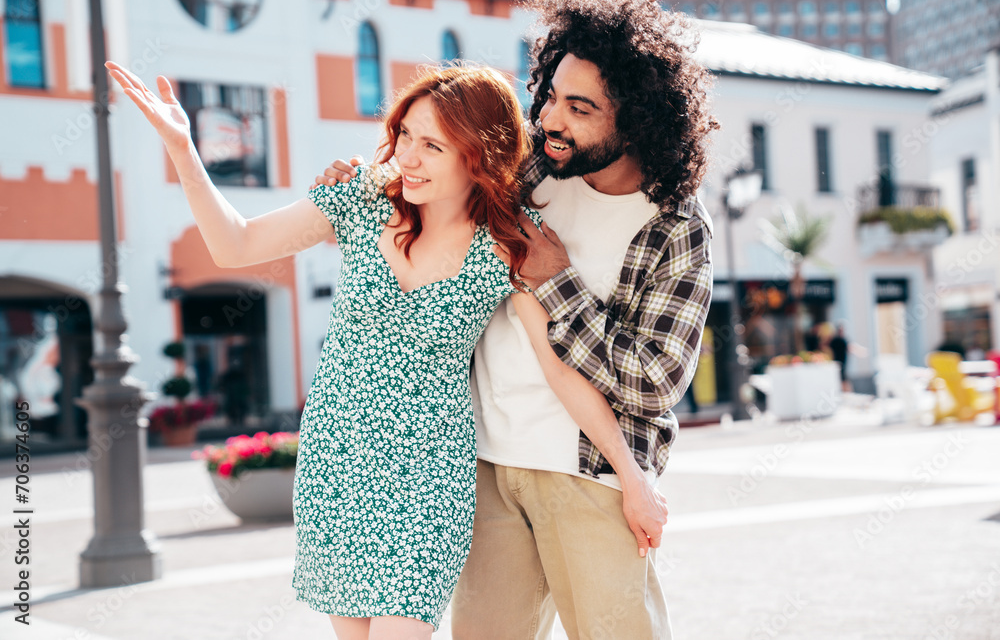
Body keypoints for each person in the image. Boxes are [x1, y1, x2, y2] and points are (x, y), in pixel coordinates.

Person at [106, 60, 650, 640]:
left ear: (478, 156)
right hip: (337, 458)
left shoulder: (507, 246)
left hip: (427, 474)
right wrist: (183, 150)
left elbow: (559, 370)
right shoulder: (362, 199)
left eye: (432, 146)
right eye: (405, 135)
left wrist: (632, 476)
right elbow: (235, 245)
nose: (408, 157)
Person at [317, 0, 717, 638]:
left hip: (589, 474)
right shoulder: (525, 169)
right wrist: (359, 183)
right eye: (552, 96)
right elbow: (430, 179)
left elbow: (654, 381)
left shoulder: (674, 225)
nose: (552, 119)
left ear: (638, 119)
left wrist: (557, 282)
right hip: (484, 465)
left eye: (580, 108)